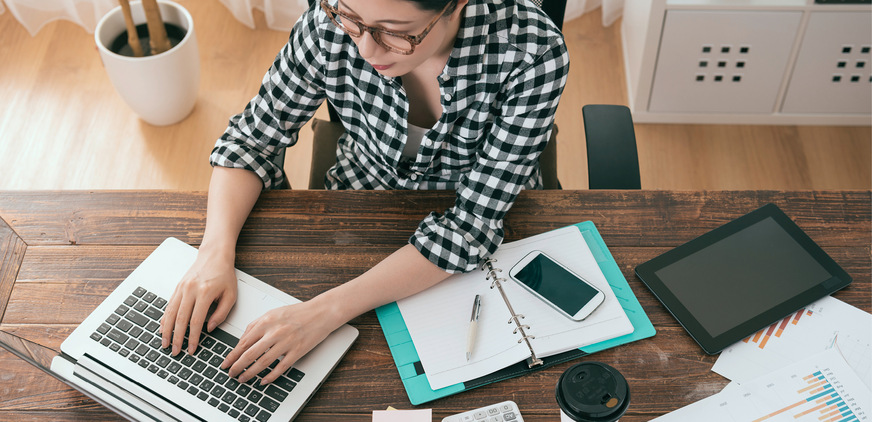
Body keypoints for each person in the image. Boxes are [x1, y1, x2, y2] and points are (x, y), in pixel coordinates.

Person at [160, 0, 569, 386]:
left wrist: (324, 313)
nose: (366, 48)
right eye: (352, 20)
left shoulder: (533, 54)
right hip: (359, 203)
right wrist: (213, 254)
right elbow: (250, 141)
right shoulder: (329, 25)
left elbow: (469, 227)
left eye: (394, 32)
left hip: (479, 235)